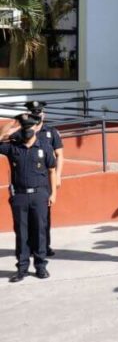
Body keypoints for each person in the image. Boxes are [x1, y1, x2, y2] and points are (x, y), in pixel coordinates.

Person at [0, 115, 57, 282]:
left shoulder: (44, 147)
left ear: (35, 130)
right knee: (21, 233)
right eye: (24, 129)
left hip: (40, 194)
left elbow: (52, 171)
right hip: (20, 195)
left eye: (29, 129)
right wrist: (12, 124)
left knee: (39, 231)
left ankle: (40, 267)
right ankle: (22, 268)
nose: (26, 132)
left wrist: (53, 193)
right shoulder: (13, 148)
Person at [14, 101, 63, 258]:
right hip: (26, 180)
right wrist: (18, 123)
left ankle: (44, 246)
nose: (37, 114)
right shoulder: (23, 132)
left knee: (43, 216)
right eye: (33, 112)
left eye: (39, 112)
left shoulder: (51, 132)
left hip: (46, 178)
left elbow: (60, 155)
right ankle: (29, 248)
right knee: (27, 219)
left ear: (44, 113)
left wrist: (58, 176)